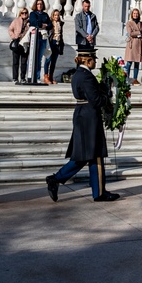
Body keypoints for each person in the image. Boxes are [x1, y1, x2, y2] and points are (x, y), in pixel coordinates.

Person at [45, 45, 120, 203]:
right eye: (94, 60)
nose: (95, 63)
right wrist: (107, 96)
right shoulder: (86, 76)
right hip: (88, 117)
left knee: (89, 155)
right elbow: (96, 100)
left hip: (83, 114)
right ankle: (57, 179)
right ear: (88, 60)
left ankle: (97, 191)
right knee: (93, 155)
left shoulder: (80, 74)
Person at [27, 0, 49, 84]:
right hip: (35, 37)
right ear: (35, 5)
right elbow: (33, 22)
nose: (39, 5)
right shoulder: (33, 14)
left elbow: (50, 25)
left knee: (39, 58)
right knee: (32, 57)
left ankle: (37, 76)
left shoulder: (45, 14)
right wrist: (42, 24)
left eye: (41, 4)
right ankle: (30, 76)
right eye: (38, 4)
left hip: (43, 38)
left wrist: (44, 25)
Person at [123, 8, 142, 84]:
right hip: (132, 45)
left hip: (139, 45)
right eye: (134, 13)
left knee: (137, 63)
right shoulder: (129, 23)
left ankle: (135, 79)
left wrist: (139, 33)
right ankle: (127, 78)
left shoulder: (141, 23)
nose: (135, 15)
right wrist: (139, 32)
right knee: (129, 62)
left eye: (137, 13)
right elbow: (130, 33)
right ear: (132, 14)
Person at [8, 8, 29, 84]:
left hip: (25, 44)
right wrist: (14, 36)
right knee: (15, 62)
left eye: (26, 13)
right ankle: (15, 78)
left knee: (24, 62)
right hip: (17, 43)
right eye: (23, 13)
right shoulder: (16, 21)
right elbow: (10, 29)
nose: (24, 14)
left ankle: (23, 78)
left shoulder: (29, 22)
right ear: (20, 14)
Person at [44, 9, 64, 84]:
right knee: (48, 60)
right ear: (53, 15)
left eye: (58, 15)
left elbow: (61, 34)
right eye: (55, 15)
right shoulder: (50, 23)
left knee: (54, 61)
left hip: (58, 43)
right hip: (51, 41)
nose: (56, 16)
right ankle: (45, 76)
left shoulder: (61, 23)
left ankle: (51, 76)